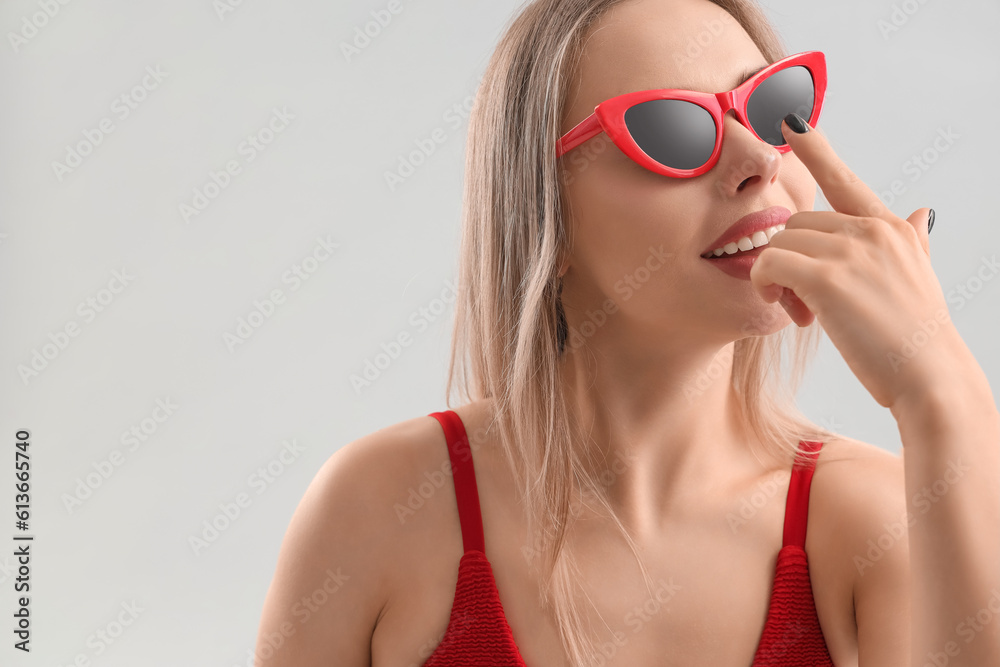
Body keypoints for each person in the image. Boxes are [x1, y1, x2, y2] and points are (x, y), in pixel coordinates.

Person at [254, 1, 1000, 665]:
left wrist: (942, 393)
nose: (758, 158)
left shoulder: (873, 517)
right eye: (674, 129)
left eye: (774, 107)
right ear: (545, 212)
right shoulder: (376, 507)